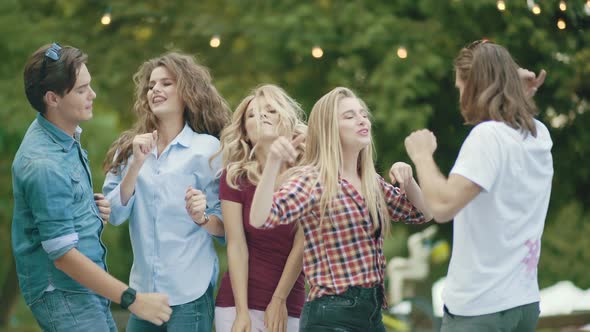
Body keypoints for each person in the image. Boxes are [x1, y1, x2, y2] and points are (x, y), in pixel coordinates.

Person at [12, 42, 172, 331]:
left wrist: (88, 209)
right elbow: (63, 257)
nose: (92, 95)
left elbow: (57, 211)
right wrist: (133, 299)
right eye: (81, 89)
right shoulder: (43, 163)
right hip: (63, 293)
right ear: (53, 98)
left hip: (84, 288)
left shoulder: (63, 137)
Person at [249, 87, 432, 331]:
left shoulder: (370, 182)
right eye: (349, 116)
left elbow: (423, 213)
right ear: (329, 129)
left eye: (363, 114)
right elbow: (261, 218)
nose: (361, 120)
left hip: (372, 315)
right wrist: (273, 163)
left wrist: (409, 182)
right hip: (332, 315)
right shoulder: (313, 179)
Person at [404, 40, 552, 332]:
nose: (461, 97)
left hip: (480, 310)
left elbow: (443, 206)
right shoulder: (538, 135)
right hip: (522, 304)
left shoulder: (487, 137)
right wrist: (513, 84)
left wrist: (422, 156)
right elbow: (512, 111)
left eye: (461, 88)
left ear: (474, 88)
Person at [102, 52, 231, 331]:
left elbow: (228, 229)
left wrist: (202, 217)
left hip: (190, 294)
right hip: (143, 295)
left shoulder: (208, 149)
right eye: (151, 85)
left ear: (187, 92)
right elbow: (114, 214)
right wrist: (136, 163)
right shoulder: (130, 149)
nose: (156, 90)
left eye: (166, 83)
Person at [213, 85, 307, 332]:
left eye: (270, 110)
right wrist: (241, 312)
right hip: (236, 305)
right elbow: (236, 244)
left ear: (285, 119)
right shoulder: (235, 176)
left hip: (290, 303)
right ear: (245, 132)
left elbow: (303, 243)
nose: (261, 116)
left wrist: (279, 300)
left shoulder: (308, 173)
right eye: (251, 115)